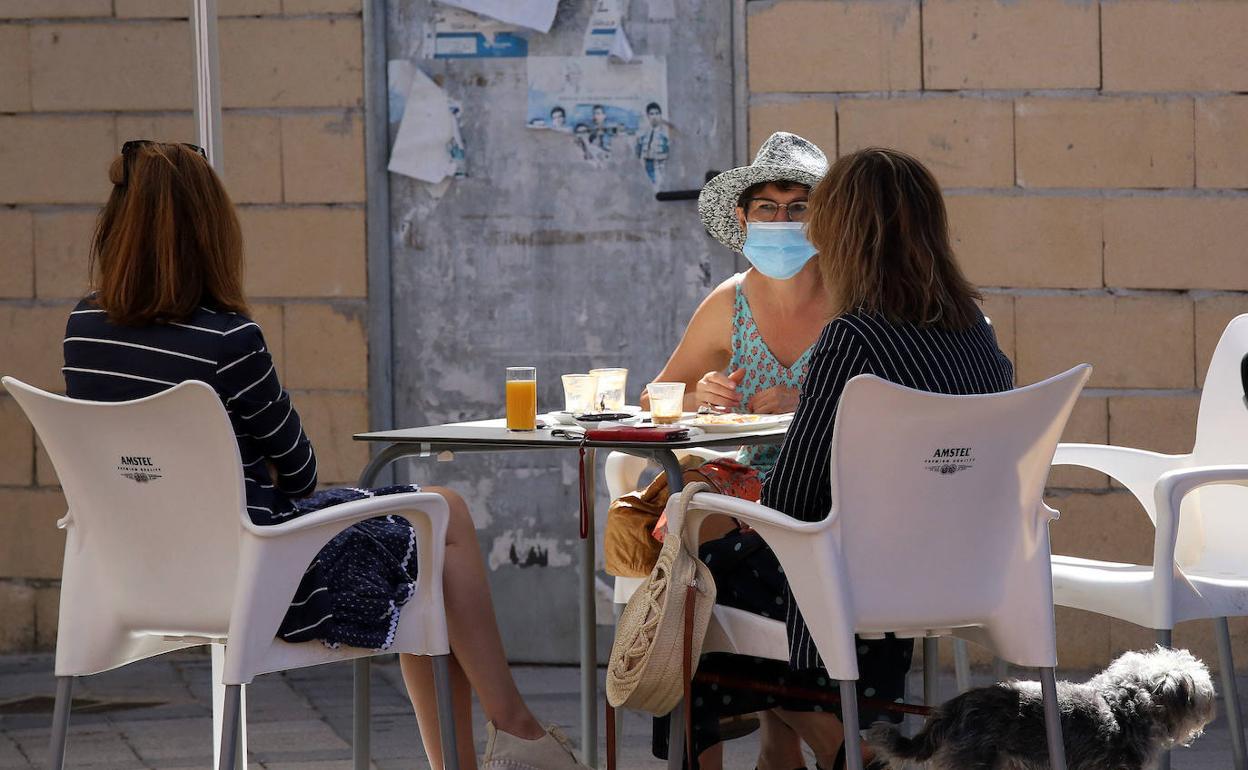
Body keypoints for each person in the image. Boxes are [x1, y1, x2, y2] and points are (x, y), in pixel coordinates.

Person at [63, 141, 590, 770]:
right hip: (257, 578)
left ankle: (499, 742)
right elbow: (302, 472)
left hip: (131, 575)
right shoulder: (229, 340)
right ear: (211, 232)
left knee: (422, 540)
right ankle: (515, 732)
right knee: (438, 518)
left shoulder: (82, 329)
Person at [689, 147, 1015, 770]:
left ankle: (849, 748)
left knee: (686, 582)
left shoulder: (854, 335)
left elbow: (795, 498)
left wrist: (723, 510)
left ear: (841, 232)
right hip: (960, 567)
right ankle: (827, 742)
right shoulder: (975, 326)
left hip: (852, 577)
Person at [617, 132, 835, 770]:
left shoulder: (856, 297)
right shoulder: (728, 302)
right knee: (691, 530)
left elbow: (882, 392)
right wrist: (703, 394)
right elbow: (660, 393)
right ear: (741, 218)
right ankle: (729, 754)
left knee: (699, 547)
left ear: (823, 218)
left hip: (830, 489)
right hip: (746, 484)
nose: (782, 220)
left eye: (798, 207)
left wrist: (803, 396)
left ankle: (780, 741)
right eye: (766, 207)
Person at [635, 102, 670, 186]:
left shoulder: (666, 135)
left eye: (657, 113)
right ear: (648, 116)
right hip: (645, 172)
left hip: (660, 171)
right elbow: (638, 154)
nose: (654, 117)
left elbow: (669, 156)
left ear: (660, 115)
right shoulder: (643, 136)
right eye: (651, 114)